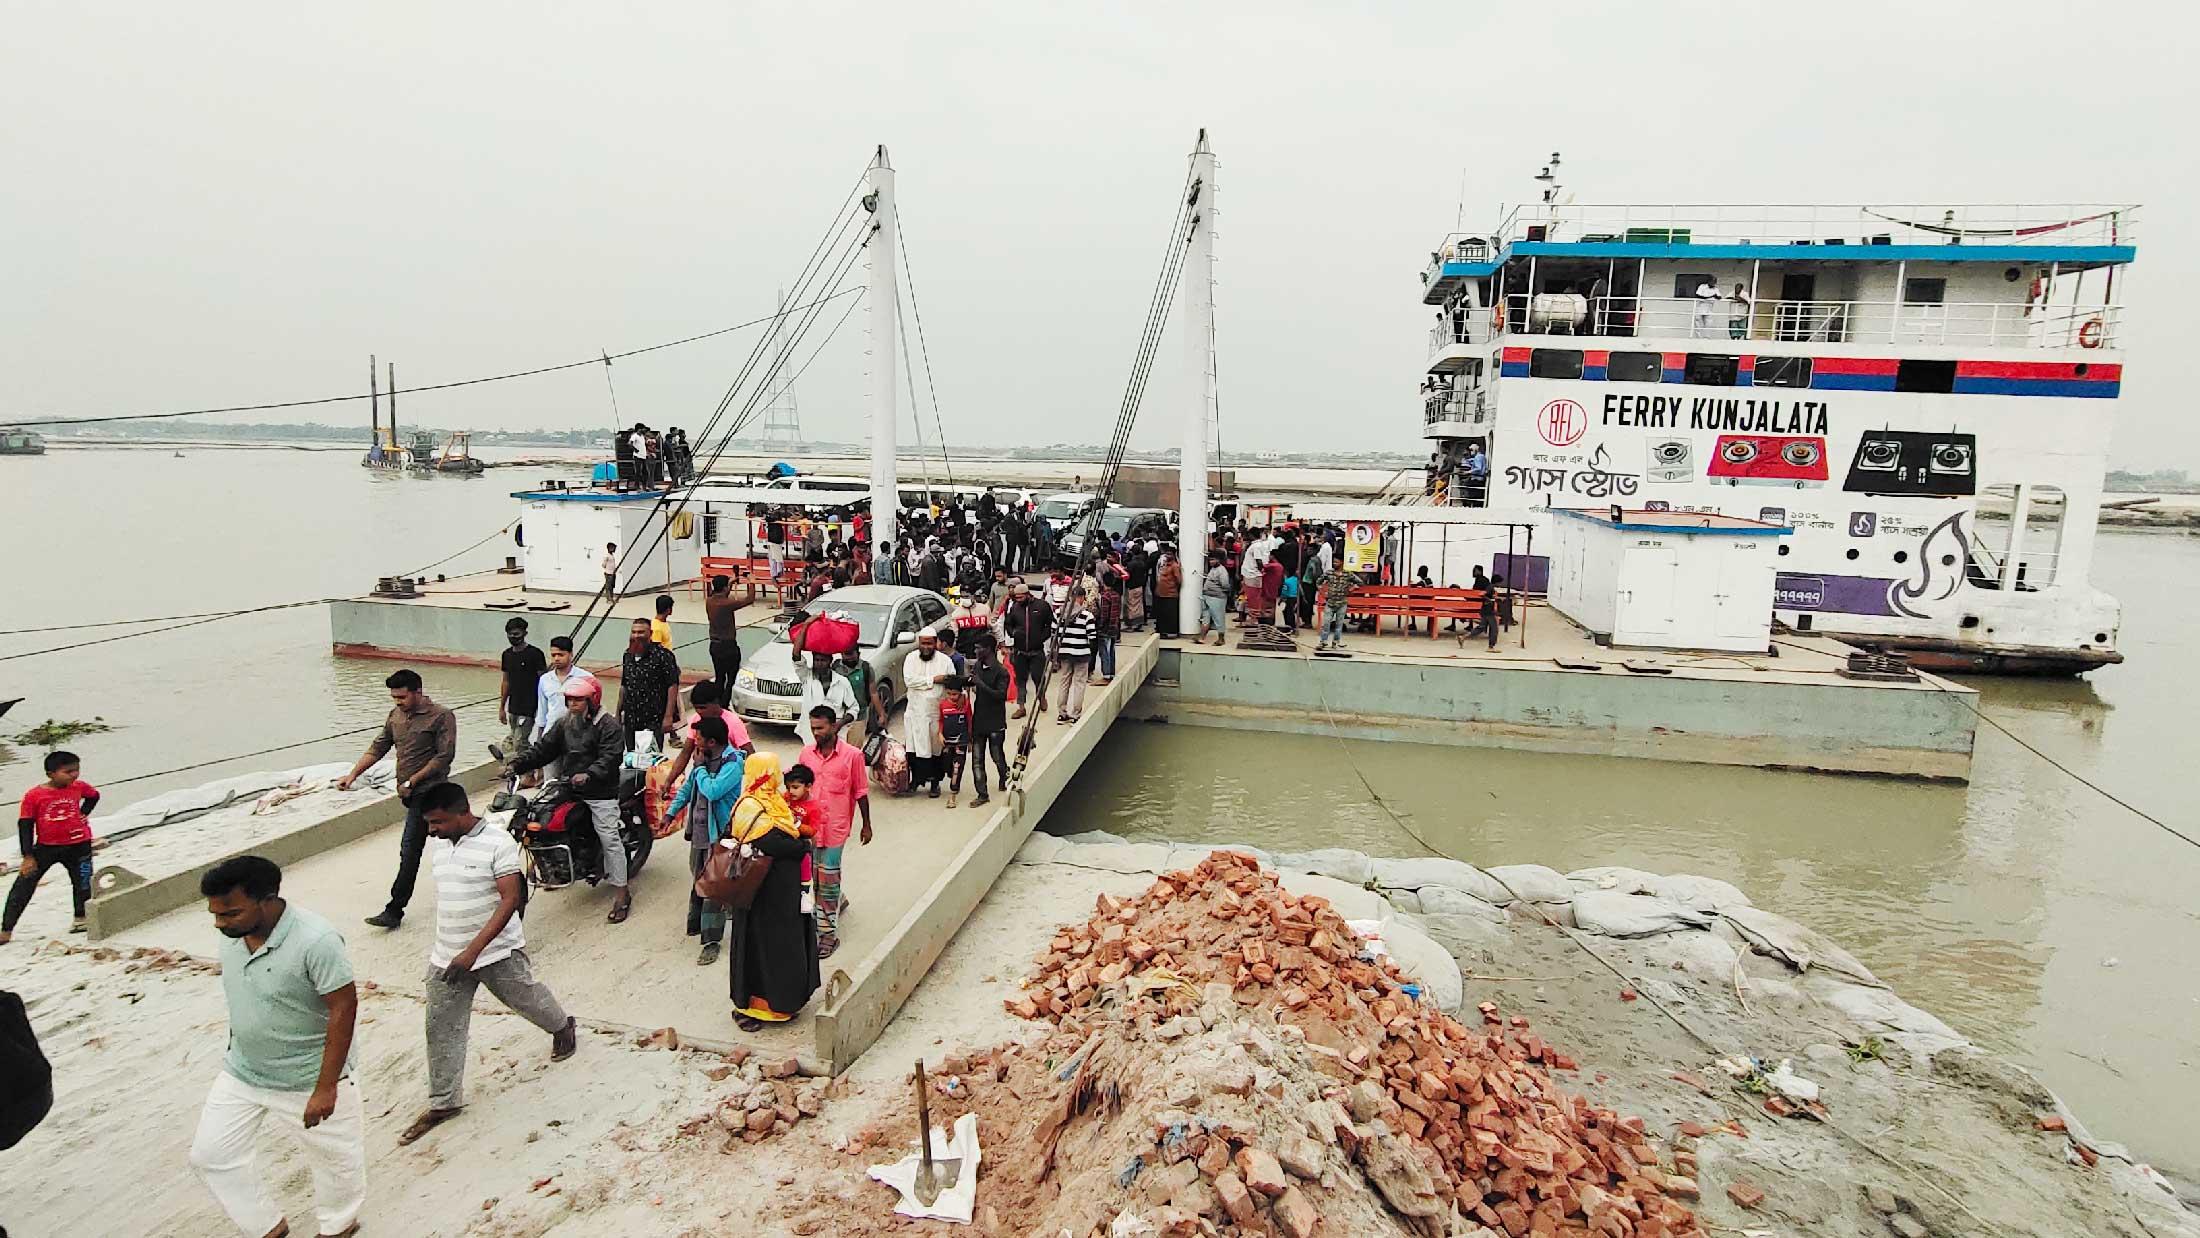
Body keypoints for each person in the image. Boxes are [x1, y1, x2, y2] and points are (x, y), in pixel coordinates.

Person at [398, 782, 577, 1146]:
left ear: (462, 812)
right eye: (428, 824)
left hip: (496, 952)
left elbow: (511, 899)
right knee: (441, 1026)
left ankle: (562, 1027)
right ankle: (444, 1102)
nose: (432, 831)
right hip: (446, 955)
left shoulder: (498, 843)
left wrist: (472, 952)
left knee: (526, 998)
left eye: (438, 822)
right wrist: (455, 952)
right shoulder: (442, 847)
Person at [337, 670, 456, 932]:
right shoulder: (395, 716)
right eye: (394, 698)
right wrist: (353, 774)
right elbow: (379, 746)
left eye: (402, 697)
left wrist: (413, 780)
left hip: (434, 793)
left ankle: (394, 910)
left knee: (412, 848)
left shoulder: (442, 716)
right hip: (409, 794)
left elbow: (444, 757)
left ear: (417, 691)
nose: (398, 702)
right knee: (435, 847)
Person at [506, 677, 633, 924]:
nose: (573, 703)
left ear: (592, 700)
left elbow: (611, 757)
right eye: (570, 699)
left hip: (600, 790)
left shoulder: (609, 725)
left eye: (578, 699)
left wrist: (590, 774)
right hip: (569, 785)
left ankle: (622, 892)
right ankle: (552, 866)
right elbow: (543, 749)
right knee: (540, 818)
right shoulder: (564, 724)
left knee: (609, 838)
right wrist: (517, 764)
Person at [720, 754, 820, 1030]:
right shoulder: (750, 806)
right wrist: (802, 846)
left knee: (781, 946)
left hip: (780, 893)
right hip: (760, 894)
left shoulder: (773, 802)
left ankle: (782, 1004)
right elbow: (775, 843)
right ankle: (755, 1007)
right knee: (762, 948)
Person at [669, 715, 745, 966]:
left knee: (713, 887)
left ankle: (711, 941)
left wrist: (700, 768)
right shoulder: (703, 760)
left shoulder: (733, 763)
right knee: (699, 878)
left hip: (720, 835)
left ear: (711, 742)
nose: (694, 742)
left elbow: (712, 791)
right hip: (700, 834)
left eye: (698, 738)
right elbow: (689, 788)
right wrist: (671, 813)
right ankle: (698, 922)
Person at [797, 705, 871, 958]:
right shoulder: (806, 754)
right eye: (813, 728)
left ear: (833, 726)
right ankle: (838, 899)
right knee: (813, 878)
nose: (816, 732)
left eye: (820, 727)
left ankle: (827, 935)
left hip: (836, 829)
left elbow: (861, 792)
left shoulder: (852, 756)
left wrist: (866, 825)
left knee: (826, 880)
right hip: (810, 830)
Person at [2, 751, 100, 943]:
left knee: (83, 882)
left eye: (76, 770)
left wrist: (83, 813)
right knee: (23, 886)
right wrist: (27, 856)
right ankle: (6, 929)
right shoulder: (35, 795)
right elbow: (25, 825)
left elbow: (94, 796)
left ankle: (81, 919)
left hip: (79, 845)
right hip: (47, 847)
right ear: (51, 774)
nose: (74, 775)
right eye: (68, 771)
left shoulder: (79, 787)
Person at [528, 637, 598, 781]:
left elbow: (594, 710)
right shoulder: (545, 680)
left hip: (577, 739)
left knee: (574, 781)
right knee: (551, 783)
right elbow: (542, 714)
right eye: (553, 655)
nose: (557, 659)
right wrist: (539, 741)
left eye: (561, 654)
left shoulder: (586, 678)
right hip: (552, 738)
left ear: (571, 654)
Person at [665, 680, 755, 785]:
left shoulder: (733, 722)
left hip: (725, 776)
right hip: (702, 772)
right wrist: (669, 781)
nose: (699, 711)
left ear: (716, 702)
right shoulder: (696, 720)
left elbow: (750, 754)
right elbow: (685, 753)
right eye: (696, 708)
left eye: (703, 707)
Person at [617, 617, 682, 751]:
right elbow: (624, 684)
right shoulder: (627, 655)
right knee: (631, 757)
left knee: (651, 760)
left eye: (641, 632)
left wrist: (668, 716)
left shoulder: (663, 656)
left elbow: (672, 685)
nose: (636, 636)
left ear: (650, 634)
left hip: (654, 718)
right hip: (631, 718)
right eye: (634, 632)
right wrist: (617, 713)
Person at [902, 630, 954, 797]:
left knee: (935, 751)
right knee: (914, 750)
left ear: (936, 643)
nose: (926, 647)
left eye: (929, 643)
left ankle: (935, 784)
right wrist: (933, 680)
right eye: (923, 643)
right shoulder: (910, 658)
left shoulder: (945, 661)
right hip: (915, 713)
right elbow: (909, 680)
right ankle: (915, 781)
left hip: (934, 714)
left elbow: (951, 682)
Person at [999, 579, 1052, 717]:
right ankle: (1021, 706)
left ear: (1027, 594)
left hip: (1037, 651)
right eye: (1016, 598)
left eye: (1021, 597)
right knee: (1020, 680)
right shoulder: (1015, 608)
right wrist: (1013, 633)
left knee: (1038, 677)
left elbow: (1049, 625)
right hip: (1020, 651)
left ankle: (1041, 697)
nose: (1018, 600)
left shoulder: (1042, 606)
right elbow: (1008, 624)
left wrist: (1042, 637)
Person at [966, 644, 1011, 808]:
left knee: (996, 755)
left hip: (995, 722)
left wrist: (980, 684)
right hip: (979, 720)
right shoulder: (978, 666)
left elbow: (1000, 696)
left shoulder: (1002, 672)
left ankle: (1004, 775)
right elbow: (975, 683)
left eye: (979, 648)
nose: (976, 650)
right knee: (977, 760)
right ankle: (982, 794)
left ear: (989, 650)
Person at [497, 618, 546, 758]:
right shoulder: (507, 655)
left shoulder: (535, 654)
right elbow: (506, 681)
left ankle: (530, 768)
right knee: (514, 737)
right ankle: (525, 762)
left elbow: (544, 681)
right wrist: (502, 707)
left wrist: (542, 707)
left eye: (517, 634)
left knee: (521, 741)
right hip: (513, 705)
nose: (513, 638)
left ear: (525, 633)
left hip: (530, 705)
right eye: (510, 635)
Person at [1053, 587, 1098, 723]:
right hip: (1081, 653)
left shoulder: (1058, 612)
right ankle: (1075, 714)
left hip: (1064, 652)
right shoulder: (1087, 615)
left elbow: (1054, 633)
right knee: (1079, 683)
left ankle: (1062, 713)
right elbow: (1092, 636)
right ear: (1082, 597)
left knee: (1064, 681)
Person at [835, 647, 884, 746]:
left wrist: (881, 714)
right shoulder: (835, 668)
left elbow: (873, 692)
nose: (849, 658)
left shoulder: (866, 668)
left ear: (858, 653)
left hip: (859, 717)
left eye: (851, 654)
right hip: (839, 717)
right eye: (846, 654)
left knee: (854, 749)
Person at [703, 575, 742, 702]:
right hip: (728, 645)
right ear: (725, 588)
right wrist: (752, 582)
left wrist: (730, 583)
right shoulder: (727, 603)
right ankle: (725, 702)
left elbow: (722, 594)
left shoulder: (709, 600)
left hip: (714, 645)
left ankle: (718, 701)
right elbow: (750, 599)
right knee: (732, 677)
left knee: (720, 677)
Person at [798, 650, 859, 730]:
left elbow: (854, 708)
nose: (819, 664)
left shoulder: (842, 682)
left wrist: (839, 724)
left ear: (830, 661)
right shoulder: (807, 677)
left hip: (835, 733)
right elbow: (796, 658)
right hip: (810, 732)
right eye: (817, 660)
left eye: (823, 660)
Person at [936, 677, 972, 806]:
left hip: (961, 740)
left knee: (958, 766)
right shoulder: (943, 704)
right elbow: (940, 720)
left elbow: (969, 721)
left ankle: (953, 795)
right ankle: (952, 778)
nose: (952, 697)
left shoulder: (965, 704)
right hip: (947, 741)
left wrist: (970, 741)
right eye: (949, 694)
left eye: (955, 694)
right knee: (947, 764)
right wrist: (940, 733)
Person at [1317, 556, 1356, 651]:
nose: (1334, 564)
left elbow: (1359, 582)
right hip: (1330, 602)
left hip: (1342, 603)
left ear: (1341, 562)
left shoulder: (1348, 574)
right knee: (1326, 623)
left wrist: (1352, 588)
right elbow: (1318, 582)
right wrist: (1322, 593)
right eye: (1333, 562)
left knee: (1339, 624)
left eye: (1336, 562)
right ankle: (1323, 641)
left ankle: (1336, 642)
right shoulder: (1329, 573)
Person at [1199, 550, 1231, 646]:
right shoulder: (1213, 569)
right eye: (1210, 560)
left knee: (1218, 618)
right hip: (1207, 596)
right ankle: (1202, 637)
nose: (1211, 562)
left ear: (1219, 560)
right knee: (1206, 617)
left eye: (1213, 560)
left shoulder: (1222, 571)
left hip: (1217, 598)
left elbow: (1225, 585)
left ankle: (1221, 639)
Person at [1153, 548, 1184, 639]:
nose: (1167, 556)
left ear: (1174, 555)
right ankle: (1161, 631)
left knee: (1169, 614)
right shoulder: (1164, 565)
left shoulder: (1175, 566)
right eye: (1166, 554)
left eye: (1170, 554)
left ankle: (1170, 632)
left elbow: (1179, 580)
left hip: (1170, 594)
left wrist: (1171, 586)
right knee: (1161, 614)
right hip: (1160, 593)